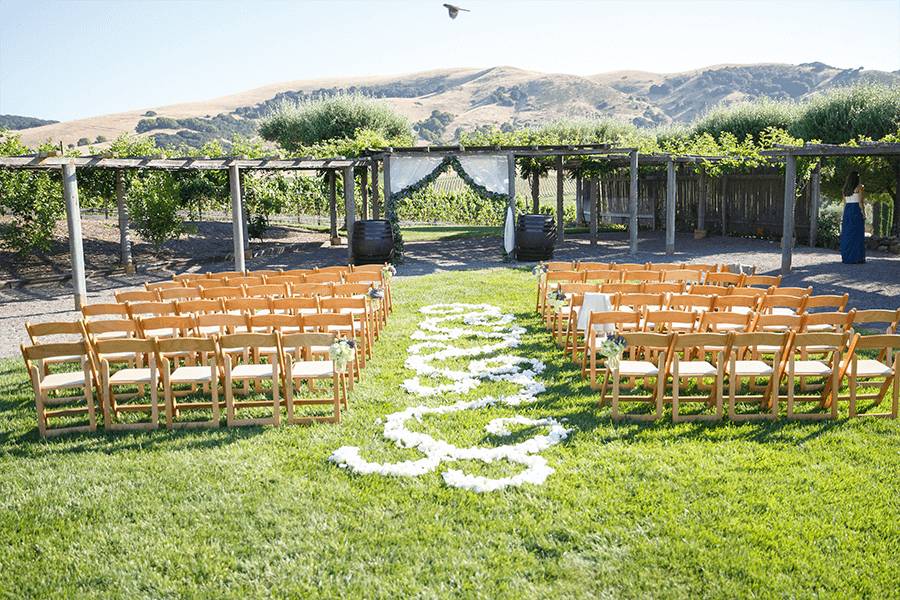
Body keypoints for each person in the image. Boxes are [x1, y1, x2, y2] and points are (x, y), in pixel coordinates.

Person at [840, 171, 866, 264]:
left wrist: (843, 216)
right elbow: (861, 202)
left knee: (847, 234)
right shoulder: (860, 187)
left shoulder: (844, 189)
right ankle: (857, 257)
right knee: (857, 234)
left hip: (847, 211)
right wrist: (863, 213)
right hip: (856, 211)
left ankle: (847, 257)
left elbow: (845, 204)